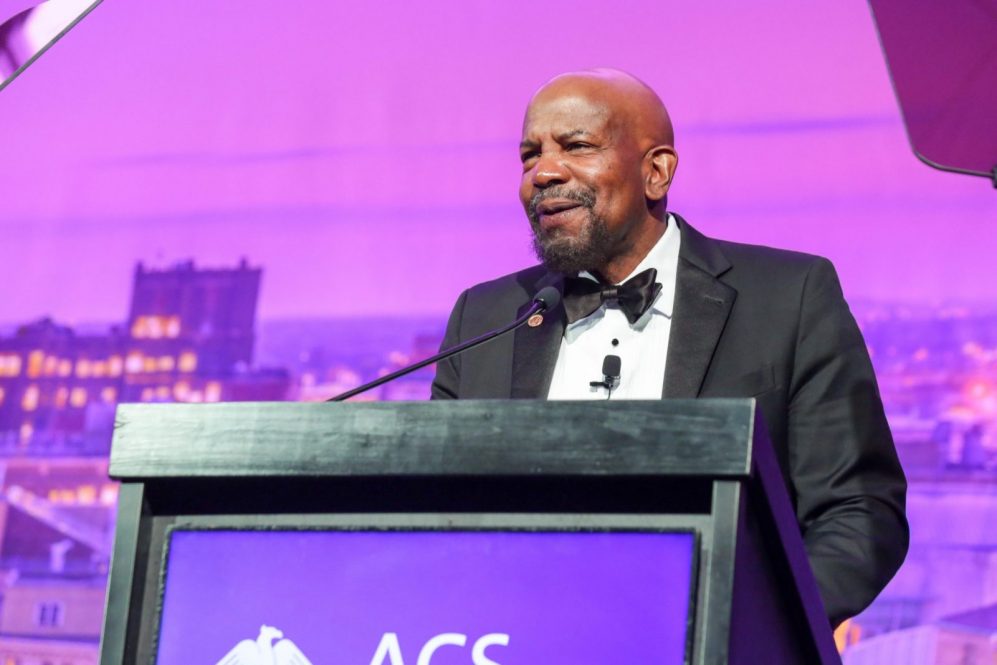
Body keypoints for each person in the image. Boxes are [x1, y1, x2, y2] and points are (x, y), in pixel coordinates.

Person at [431, 68, 908, 627]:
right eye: (529, 155)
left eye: (577, 146)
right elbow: (437, 517)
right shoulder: (485, 316)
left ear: (656, 171)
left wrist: (745, 631)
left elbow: (858, 512)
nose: (544, 172)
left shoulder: (789, 297)